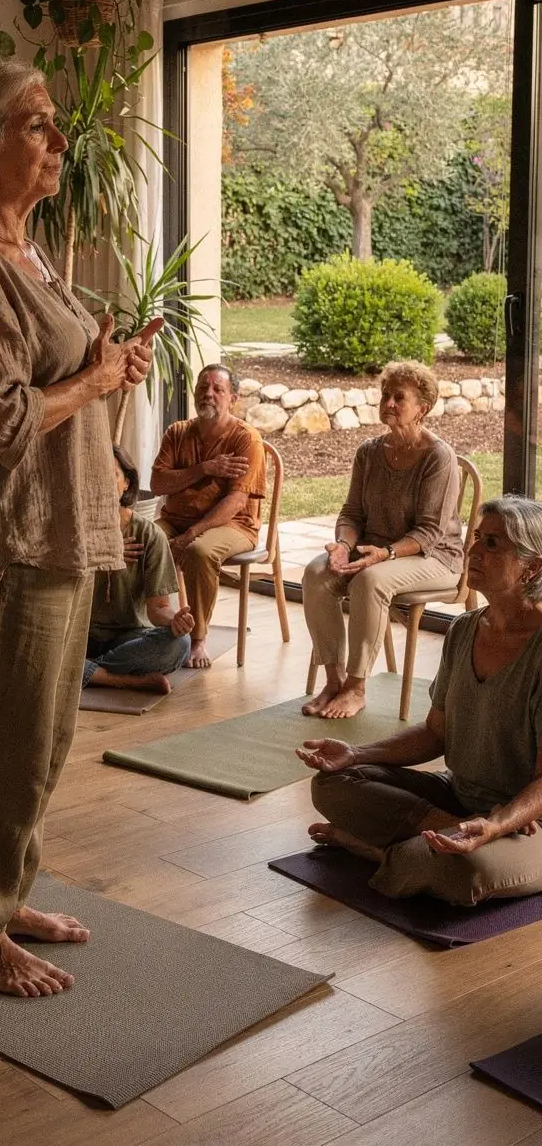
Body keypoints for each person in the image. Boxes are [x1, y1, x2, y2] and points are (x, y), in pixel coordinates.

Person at [0, 59, 160, 999]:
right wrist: (93, 384)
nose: (59, 142)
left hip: (61, 527)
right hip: (11, 536)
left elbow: (55, 381)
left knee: (44, 738)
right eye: (37, 126)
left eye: (55, 124)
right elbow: (1, 423)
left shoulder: (31, 253)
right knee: (0, 741)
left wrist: (107, 366)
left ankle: (4, 896)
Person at [297, 496, 542, 906]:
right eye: (477, 538)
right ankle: (448, 833)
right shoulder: (464, 630)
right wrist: (355, 754)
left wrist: (498, 825)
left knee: (468, 871)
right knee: (332, 783)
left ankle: (374, 850)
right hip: (461, 798)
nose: (474, 551)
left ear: (533, 566)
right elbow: (434, 734)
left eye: (494, 544)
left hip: (527, 819)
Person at [302, 360, 463, 720]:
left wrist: (385, 554)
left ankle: (357, 688)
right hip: (376, 550)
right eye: (385, 395)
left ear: (423, 408)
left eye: (398, 397)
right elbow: (351, 513)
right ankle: (335, 680)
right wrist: (343, 546)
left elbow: (429, 532)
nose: (388, 403)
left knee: (371, 580)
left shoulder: (438, 457)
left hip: (434, 558)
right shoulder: (369, 452)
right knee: (317, 573)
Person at [150, 364, 266, 668]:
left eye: (218, 389)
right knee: (144, 539)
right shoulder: (177, 432)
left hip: (233, 525)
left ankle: (199, 638)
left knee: (199, 551)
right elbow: (157, 483)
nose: (208, 394)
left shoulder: (246, 439)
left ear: (234, 397)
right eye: (203, 386)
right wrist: (205, 468)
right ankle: (151, 622)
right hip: (175, 519)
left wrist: (190, 535)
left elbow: (236, 501)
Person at [83, 445, 194, 694]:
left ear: (126, 483)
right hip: (80, 635)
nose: (100, 482)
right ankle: (127, 680)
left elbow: (158, 609)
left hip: (130, 637)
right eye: (93, 475)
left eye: (110, 475)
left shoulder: (150, 535)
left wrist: (175, 621)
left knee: (179, 645)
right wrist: (101, 553)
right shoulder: (75, 531)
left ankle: (85, 672)